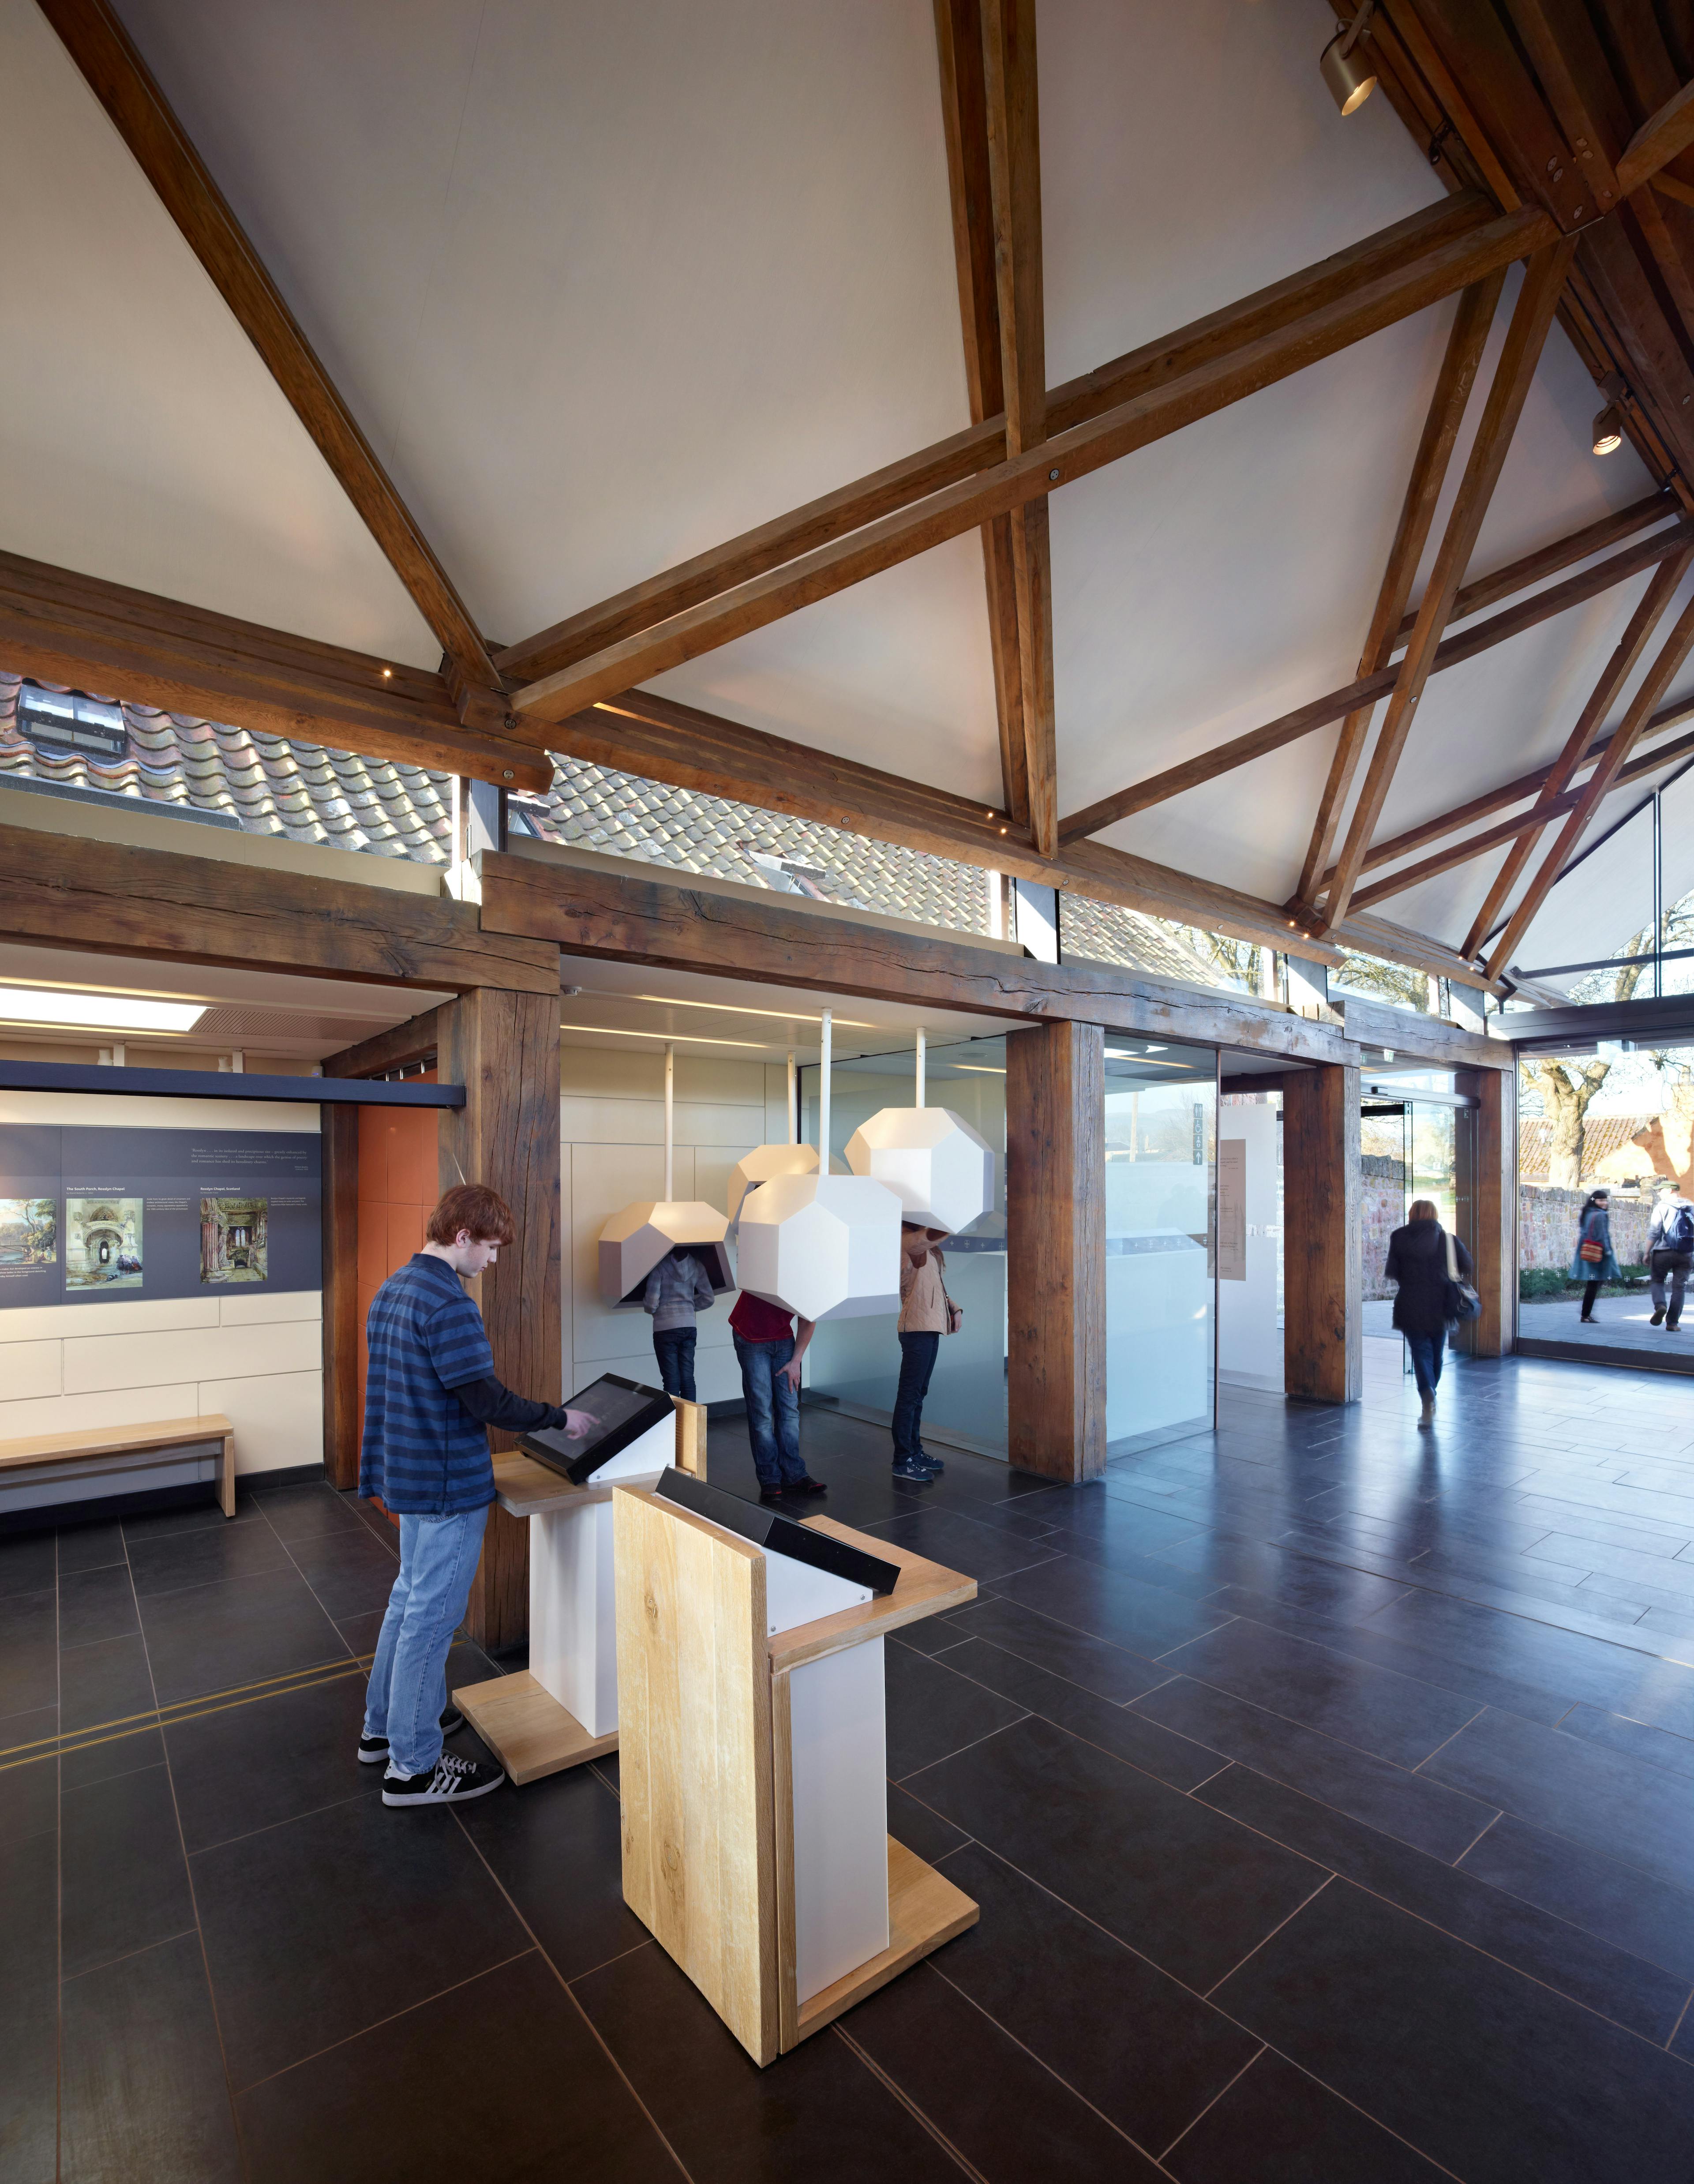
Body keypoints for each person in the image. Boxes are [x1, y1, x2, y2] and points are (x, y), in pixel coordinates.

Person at [358, 1183, 592, 1808]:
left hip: (406, 1475)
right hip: (445, 1484)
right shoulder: (448, 1303)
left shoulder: (394, 1288)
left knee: (407, 1605)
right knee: (431, 1622)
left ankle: (386, 1727)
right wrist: (558, 1417)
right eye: (490, 1248)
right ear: (462, 1236)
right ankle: (413, 1767)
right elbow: (485, 1400)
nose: (491, 1262)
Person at [728, 1287, 826, 1505]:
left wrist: (796, 1362)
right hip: (751, 1337)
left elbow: (809, 1319)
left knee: (789, 1410)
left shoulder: (811, 1280)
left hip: (782, 1338)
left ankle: (794, 1474)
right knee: (762, 1412)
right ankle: (770, 1479)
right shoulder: (773, 1263)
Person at [1384, 1198, 1473, 1428]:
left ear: (1412, 1214)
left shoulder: (1399, 1237)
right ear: (1434, 1214)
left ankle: (1427, 1394)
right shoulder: (1447, 1240)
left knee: (1420, 1352)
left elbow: (1393, 1271)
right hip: (1442, 1304)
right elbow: (1468, 1265)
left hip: (1410, 1302)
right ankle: (1430, 1391)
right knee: (1436, 1353)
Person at [892, 1223, 959, 1483]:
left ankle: (915, 1452)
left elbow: (936, 1287)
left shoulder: (927, 1250)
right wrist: (951, 1220)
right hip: (916, 1330)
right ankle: (902, 1461)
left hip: (930, 1328)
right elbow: (928, 1236)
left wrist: (954, 1308)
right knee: (909, 1397)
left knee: (918, 1395)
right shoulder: (907, 1241)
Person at [643, 1245, 716, 1398]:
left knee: (671, 1381)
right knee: (688, 1379)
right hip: (689, 1326)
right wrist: (689, 1310)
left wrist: (655, 1311)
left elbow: (651, 1303)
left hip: (665, 1328)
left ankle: (673, 1422)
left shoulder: (660, 1267)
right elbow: (709, 1298)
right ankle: (692, 1422)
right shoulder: (697, 1265)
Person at [1569, 1187, 1620, 1324]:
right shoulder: (1601, 1215)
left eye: (1605, 1200)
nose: (1604, 1203)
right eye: (1601, 1200)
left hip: (1587, 1250)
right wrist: (1608, 1251)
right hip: (1599, 1253)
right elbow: (1603, 1235)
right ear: (1594, 1201)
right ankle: (1585, 1314)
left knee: (1593, 1284)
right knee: (1595, 1284)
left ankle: (1585, 1314)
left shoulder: (1587, 1213)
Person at [1647, 1185, 1694, 1331]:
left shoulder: (1662, 1207)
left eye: (1661, 1191)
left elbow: (1654, 1232)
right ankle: (1673, 1324)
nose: (1659, 1194)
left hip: (1663, 1252)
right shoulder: (1691, 1206)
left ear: (1670, 1190)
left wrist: (1647, 1251)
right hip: (1686, 1254)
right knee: (1680, 1288)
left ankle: (1660, 1305)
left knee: (1657, 1280)